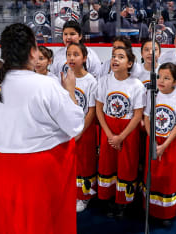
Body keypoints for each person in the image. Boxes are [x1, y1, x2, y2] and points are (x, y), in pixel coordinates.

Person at [0, 23, 84, 234]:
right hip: (42, 172)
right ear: (33, 52)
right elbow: (75, 126)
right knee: (44, 223)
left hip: (1, 168)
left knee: (9, 222)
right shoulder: (45, 86)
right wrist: (70, 91)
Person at [96, 46, 145, 218]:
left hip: (127, 133)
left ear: (130, 63)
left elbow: (138, 115)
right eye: (113, 56)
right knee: (108, 164)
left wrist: (121, 137)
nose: (115, 59)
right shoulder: (104, 81)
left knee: (126, 165)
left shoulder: (137, 85)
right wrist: (109, 135)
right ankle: (108, 197)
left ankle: (123, 202)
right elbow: (99, 109)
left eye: (121, 57)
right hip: (108, 129)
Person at [143, 62, 176, 227]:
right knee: (153, 174)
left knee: (169, 177)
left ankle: (168, 212)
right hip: (154, 141)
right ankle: (151, 207)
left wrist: (164, 146)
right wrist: (153, 140)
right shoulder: (152, 94)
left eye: (167, 78)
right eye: (159, 77)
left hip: (171, 144)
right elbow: (147, 118)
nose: (161, 81)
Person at [65, 42, 98, 212]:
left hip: (85, 129)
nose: (71, 58)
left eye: (76, 54)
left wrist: (80, 131)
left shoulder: (90, 80)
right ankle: (72, 192)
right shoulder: (64, 76)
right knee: (71, 162)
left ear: (84, 58)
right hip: (69, 129)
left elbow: (91, 111)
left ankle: (85, 195)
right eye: (69, 54)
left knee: (85, 162)